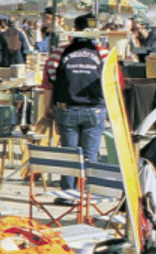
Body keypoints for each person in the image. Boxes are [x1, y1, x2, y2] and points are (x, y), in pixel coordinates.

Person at [47, 13, 105, 191]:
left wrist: (49, 105)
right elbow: (112, 80)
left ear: (75, 30)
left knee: (69, 155)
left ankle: (68, 194)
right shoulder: (103, 53)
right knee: (90, 155)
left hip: (67, 108)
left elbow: (51, 77)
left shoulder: (59, 52)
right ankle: (86, 195)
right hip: (94, 109)